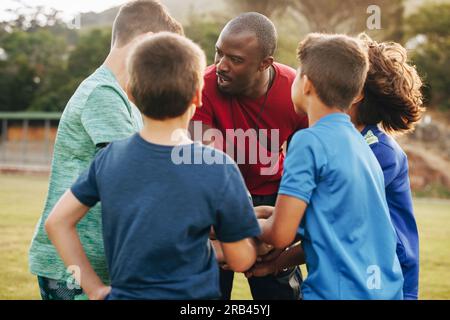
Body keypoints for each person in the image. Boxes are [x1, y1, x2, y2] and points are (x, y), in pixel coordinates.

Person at [45, 32, 260, 300]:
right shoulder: (218, 167)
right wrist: (252, 237)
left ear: (131, 94)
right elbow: (240, 260)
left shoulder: (108, 158)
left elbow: (56, 223)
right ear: (197, 96)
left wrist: (93, 288)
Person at [29, 0, 183, 300]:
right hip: (72, 270)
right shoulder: (102, 94)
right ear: (146, 41)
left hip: (103, 262)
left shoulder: (128, 101)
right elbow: (138, 178)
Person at [257, 33, 404, 300]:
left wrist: (233, 223)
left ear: (307, 85)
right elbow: (333, 228)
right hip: (385, 291)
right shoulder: (364, 147)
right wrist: (273, 263)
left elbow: (280, 234)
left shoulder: (307, 141)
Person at [190, 12, 307, 300]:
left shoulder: (295, 92)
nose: (221, 66)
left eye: (236, 59)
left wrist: (285, 231)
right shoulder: (202, 86)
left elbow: (307, 167)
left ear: (265, 63)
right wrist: (235, 225)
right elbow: (208, 165)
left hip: (272, 201)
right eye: (219, 54)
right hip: (215, 204)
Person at [347, 34, 424, 299]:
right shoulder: (343, 141)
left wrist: (279, 256)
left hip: (389, 280)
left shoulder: (381, 152)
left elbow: (335, 217)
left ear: (356, 93)